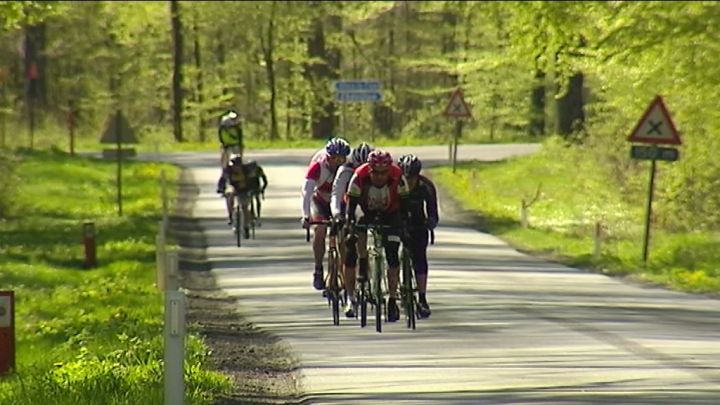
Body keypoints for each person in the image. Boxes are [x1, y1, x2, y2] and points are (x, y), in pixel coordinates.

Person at [343, 149, 409, 322]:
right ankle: (363, 263)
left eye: (384, 173)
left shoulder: (398, 176)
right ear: (369, 170)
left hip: (392, 213)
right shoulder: (358, 177)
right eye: (376, 173)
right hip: (365, 211)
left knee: (393, 255)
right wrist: (351, 231)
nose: (380, 177)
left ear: (389, 171)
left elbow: (406, 206)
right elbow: (350, 210)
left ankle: (392, 300)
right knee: (356, 234)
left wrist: (404, 228)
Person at [301, 137, 351, 290]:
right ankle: (318, 269)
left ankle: (344, 270)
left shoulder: (348, 168)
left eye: (341, 159)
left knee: (345, 234)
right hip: (320, 200)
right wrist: (306, 216)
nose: (337, 162)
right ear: (328, 157)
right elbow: (307, 191)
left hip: (339, 201)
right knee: (320, 230)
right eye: (334, 158)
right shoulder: (318, 166)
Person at [397, 154, 438, 318]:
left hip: (418, 223)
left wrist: (431, 222)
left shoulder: (426, 186)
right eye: (406, 178)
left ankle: (422, 297)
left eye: (412, 178)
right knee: (392, 251)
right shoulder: (394, 184)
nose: (409, 182)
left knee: (420, 257)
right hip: (397, 221)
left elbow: (433, 212)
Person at [224, 154, 267, 239]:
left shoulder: (247, 170)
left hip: (245, 190)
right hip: (234, 188)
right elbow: (225, 182)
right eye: (233, 165)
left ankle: (246, 227)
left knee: (244, 208)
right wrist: (224, 190)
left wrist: (255, 190)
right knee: (230, 197)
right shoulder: (228, 170)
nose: (235, 167)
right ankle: (231, 217)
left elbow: (253, 182)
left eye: (237, 165)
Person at [216, 110, 245, 194]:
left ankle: (222, 186)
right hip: (233, 147)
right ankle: (226, 185)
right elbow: (240, 139)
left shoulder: (223, 126)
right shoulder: (236, 127)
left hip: (227, 147)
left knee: (226, 168)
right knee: (235, 166)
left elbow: (221, 138)